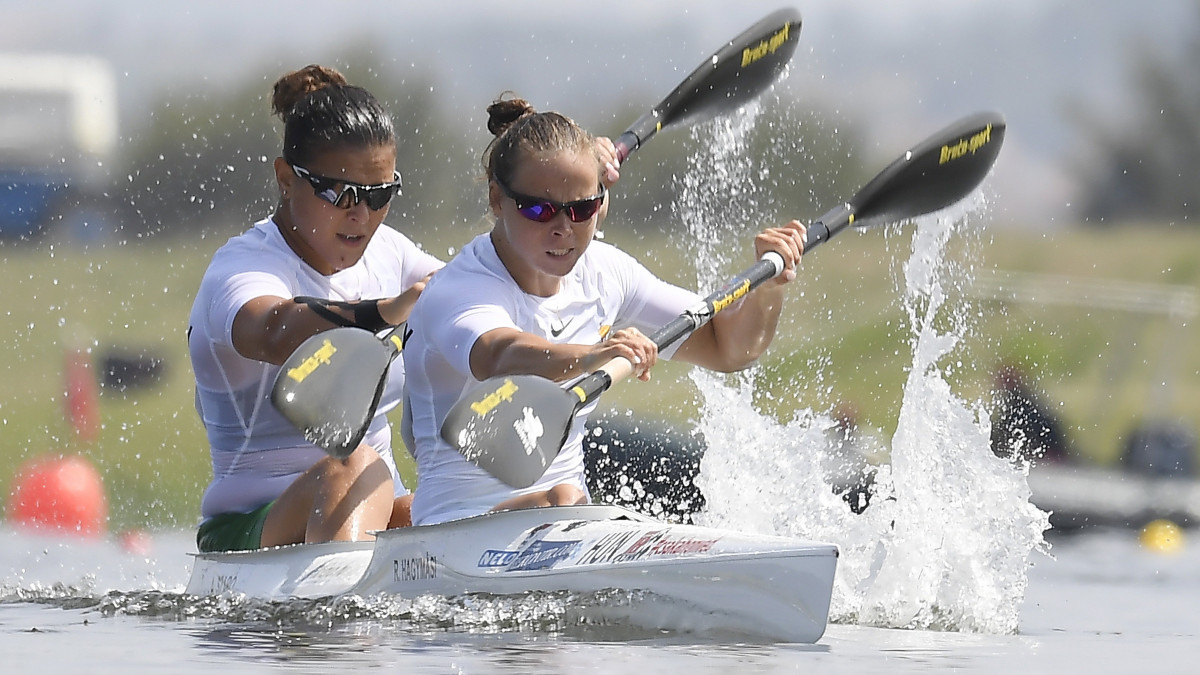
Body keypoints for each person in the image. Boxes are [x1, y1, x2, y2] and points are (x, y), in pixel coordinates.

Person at [402, 95, 806, 526]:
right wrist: (593, 354)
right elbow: (496, 355)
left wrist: (768, 290)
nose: (562, 227)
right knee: (564, 496)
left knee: (566, 496)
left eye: (581, 209)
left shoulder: (607, 274)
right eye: (538, 209)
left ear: (601, 203)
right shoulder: (461, 288)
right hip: (451, 530)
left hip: (563, 516)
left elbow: (728, 349)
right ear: (497, 199)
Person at [188, 65, 442, 552]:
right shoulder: (242, 268)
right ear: (286, 179)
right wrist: (387, 311)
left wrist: (557, 195)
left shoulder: (393, 253)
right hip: (252, 530)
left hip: (372, 511)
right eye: (338, 192)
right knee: (355, 463)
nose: (360, 215)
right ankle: (338, 611)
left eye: (378, 195)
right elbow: (276, 331)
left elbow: (490, 290)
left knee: (461, 503)